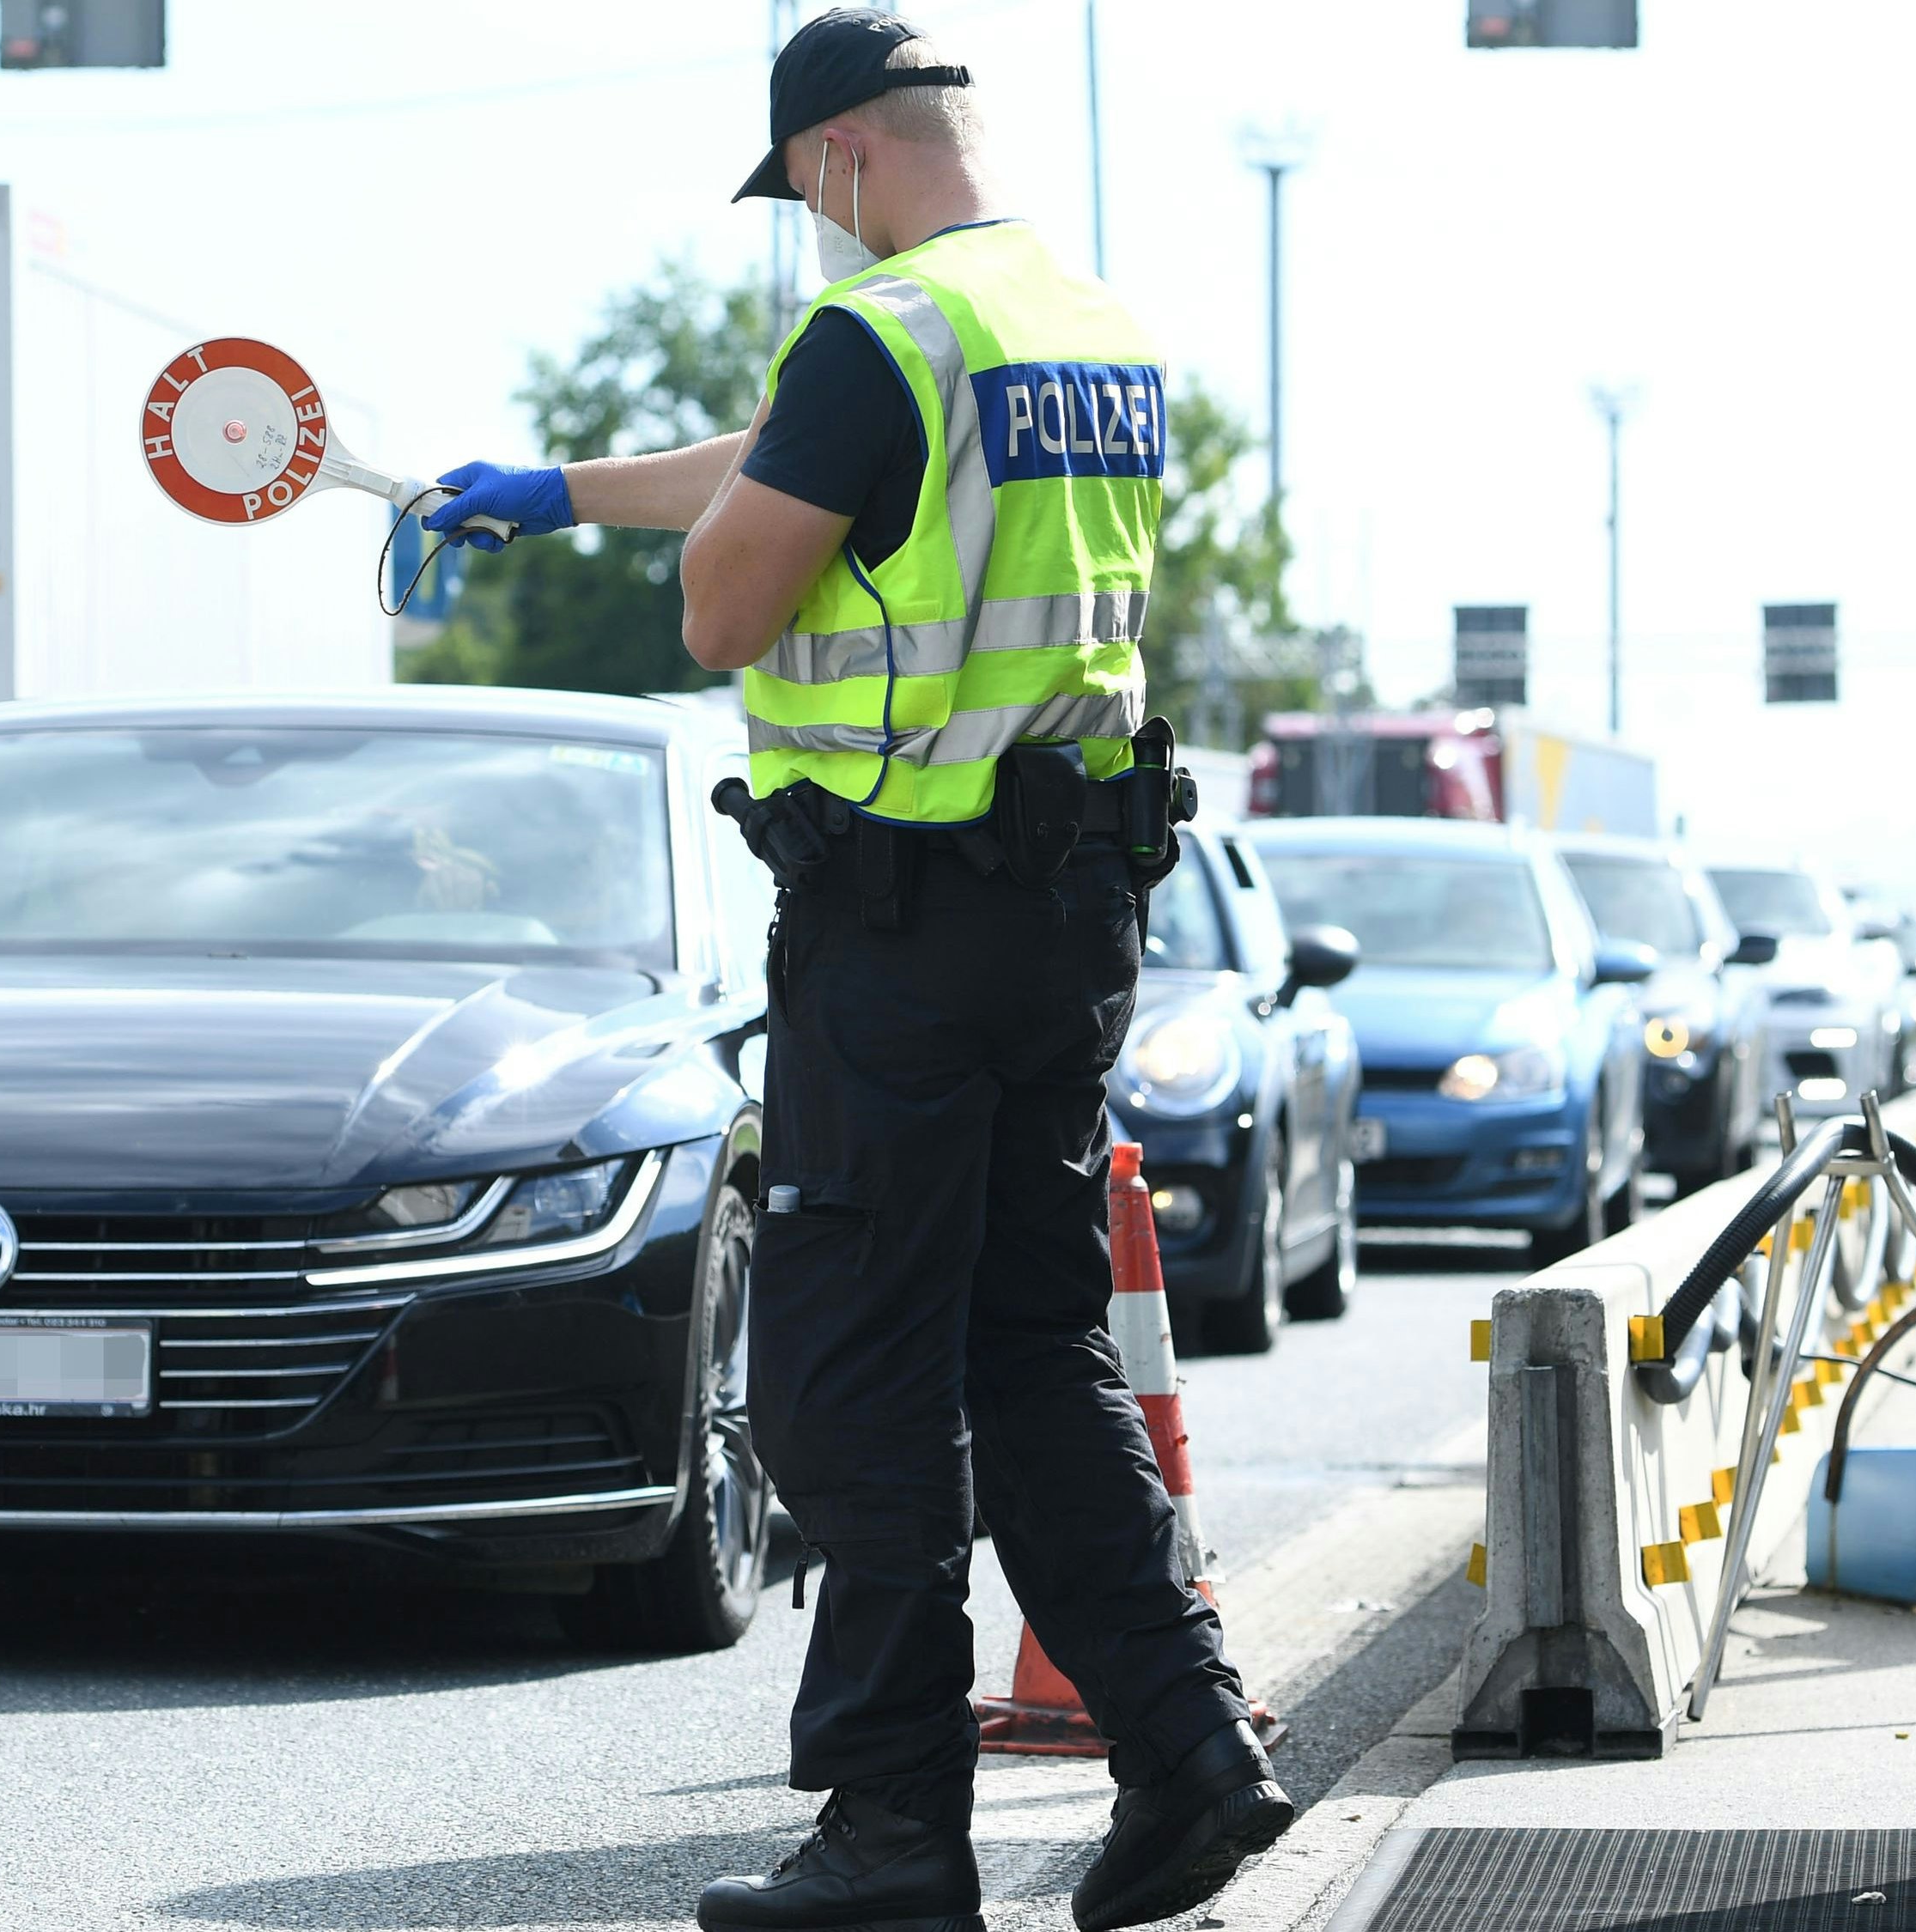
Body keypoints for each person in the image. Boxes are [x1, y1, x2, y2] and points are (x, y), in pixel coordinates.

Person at [423, 14, 1287, 1931]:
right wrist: (556, 487)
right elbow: (800, 468)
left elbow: (731, 588)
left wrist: (659, 541)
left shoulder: (878, 330)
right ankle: (1191, 1745)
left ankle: (895, 1834)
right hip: (1065, 917)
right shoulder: (1078, 322)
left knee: (843, 1382)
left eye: (795, 190)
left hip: (898, 925)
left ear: (833, 159)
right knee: (1031, 1348)